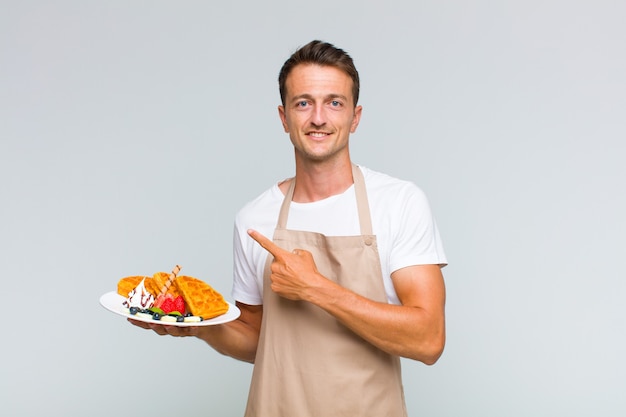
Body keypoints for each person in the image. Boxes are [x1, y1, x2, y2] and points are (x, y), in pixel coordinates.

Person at [130, 39, 447, 417]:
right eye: (303, 103)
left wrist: (316, 289)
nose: (318, 117)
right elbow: (257, 340)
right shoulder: (255, 218)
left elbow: (428, 339)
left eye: (334, 102)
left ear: (355, 117)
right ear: (284, 118)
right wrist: (200, 324)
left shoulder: (398, 203)